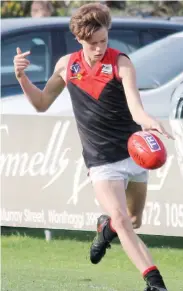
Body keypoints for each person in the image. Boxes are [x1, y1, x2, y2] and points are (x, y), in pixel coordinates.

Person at [13, 3, 173, 291]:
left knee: (133, 220)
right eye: (93, 43)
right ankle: (154, 282)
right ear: (79, 39)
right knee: (123, 220)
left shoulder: (121, 63)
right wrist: (22, 78)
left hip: (133, 151)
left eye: (104, 40)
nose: (99, 48)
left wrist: (149, 122)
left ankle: (105, 228)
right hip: (101, 159)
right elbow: (41, 104)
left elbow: (136, 109)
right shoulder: (66, 65)